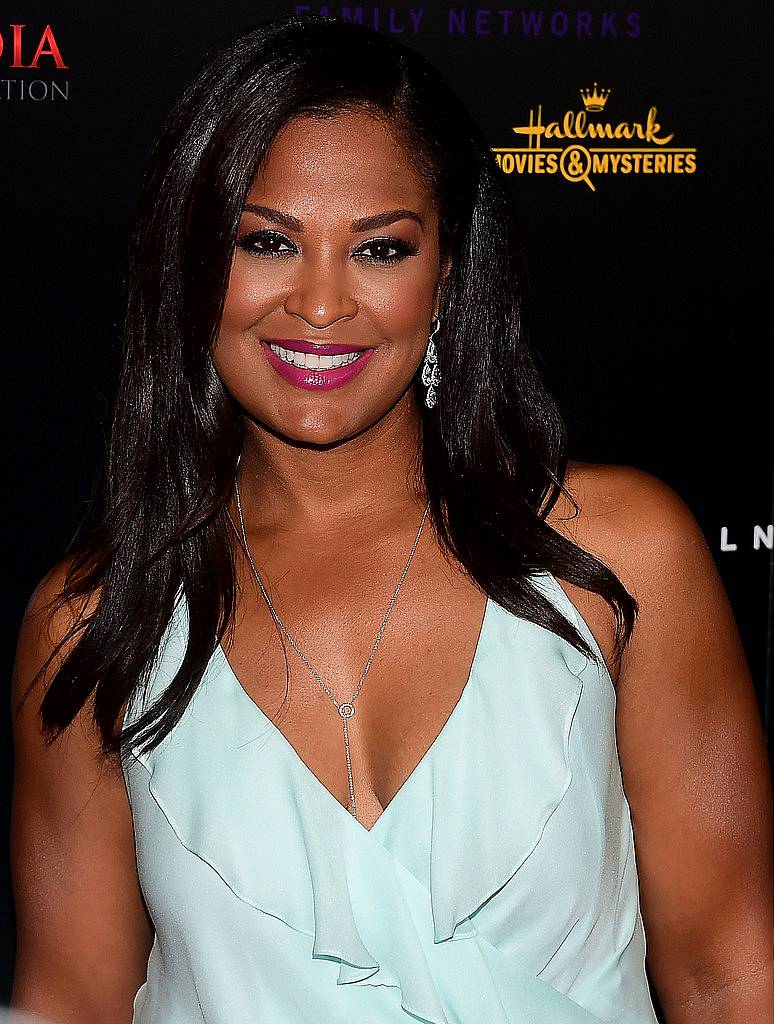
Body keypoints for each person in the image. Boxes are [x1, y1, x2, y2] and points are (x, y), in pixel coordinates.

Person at [9, 13, 771, 1024]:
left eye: (378, 249)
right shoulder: (95, 623)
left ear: (446, 277)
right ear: (193, 269)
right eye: (267, 241)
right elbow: (69, 1001)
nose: (321, 304)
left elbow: (731, 973)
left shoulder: (617, 557)